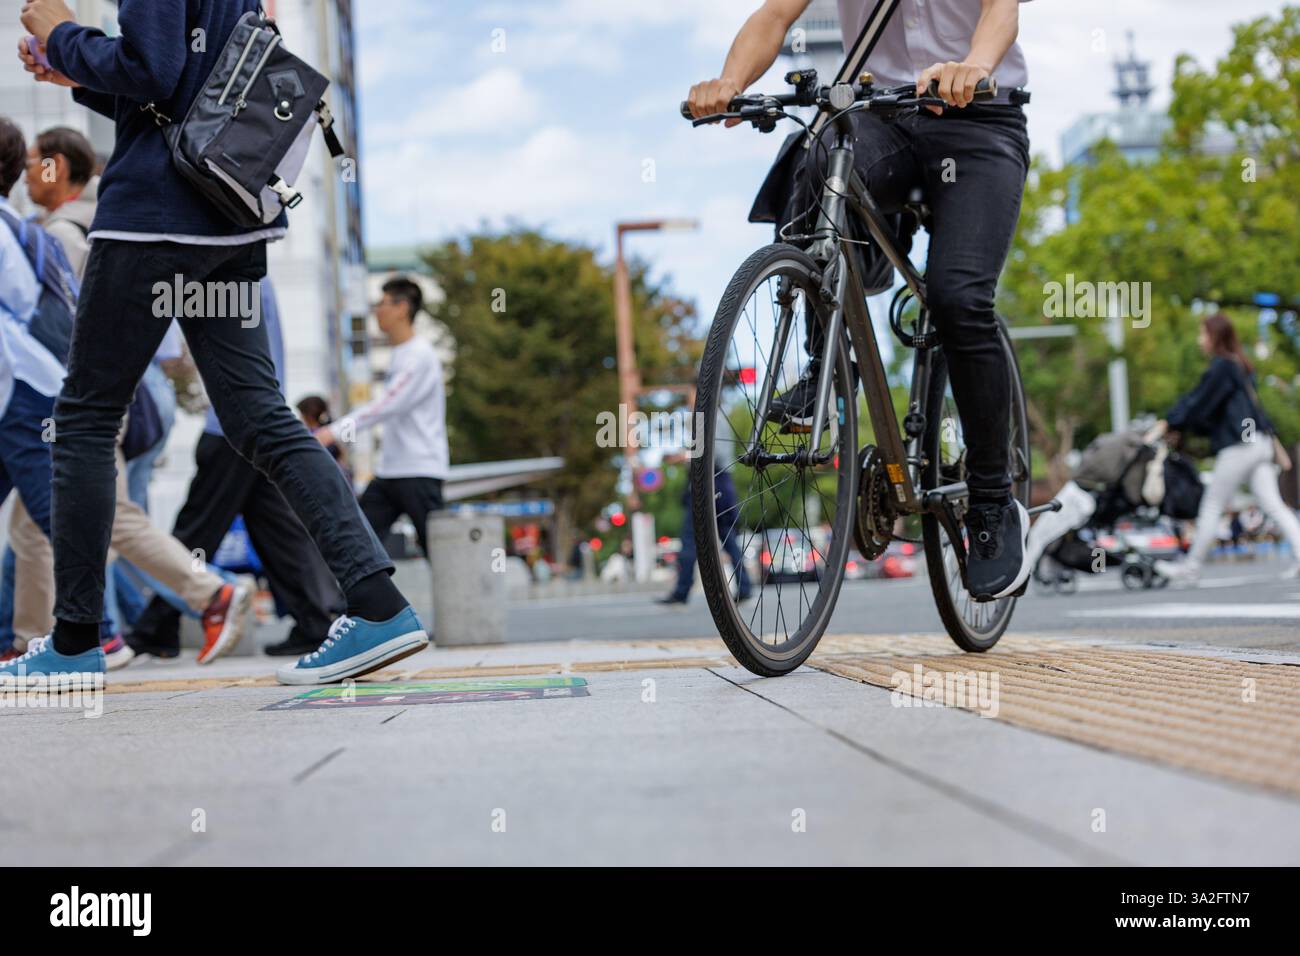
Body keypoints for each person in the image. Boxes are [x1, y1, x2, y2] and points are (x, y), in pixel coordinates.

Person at [8, 0, 427, 688]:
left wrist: (63, 35)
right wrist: (74, 74)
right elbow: (187, 89)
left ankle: (78, 639)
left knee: (83, 419)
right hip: (228, 219)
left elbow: (153, 70)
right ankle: (378, 607)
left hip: (153, 223)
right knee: (259, 416)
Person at [687, 0, 1033, 600]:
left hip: (978, 118)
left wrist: (974, 65)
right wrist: (730, 83)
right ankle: (824, 363)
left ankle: (993, 503)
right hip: (882, 118)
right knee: (817, 156)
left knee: (957, 298)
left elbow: (1002, 11)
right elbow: (774, 16)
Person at [125, 282, 346, 661]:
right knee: (276, 527)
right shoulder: (257, 277)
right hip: (258, 423)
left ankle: (156, 626)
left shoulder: (228, 277)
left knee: (196, 529)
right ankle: (314, 621)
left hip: (231, 427)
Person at [1152, 312, 1300, 583]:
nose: (1200, 341)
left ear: (1215, 336)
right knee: (1274, 504)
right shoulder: (1241, 365)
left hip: (1241, 443)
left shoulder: (1222, 367)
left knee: (1212, 505)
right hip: (1260, 441)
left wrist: (1171, 421)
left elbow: (1198, 402)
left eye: (1202, 334)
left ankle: (1191, 566)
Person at [316, 277, 450, 561]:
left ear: (402, 308)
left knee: (440, 554)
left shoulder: (420, 356)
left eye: (382, 303)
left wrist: (334, 432)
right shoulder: (400, 354)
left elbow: (387, 405)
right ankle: (352, 605)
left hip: (420, 471)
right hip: (391, 472)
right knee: (358, 543)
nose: (377, 310)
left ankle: (464, 605)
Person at [23, 125, 97, 278]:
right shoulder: (103, 214)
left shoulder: (62, 232)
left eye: (28, 166)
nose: (25, 179)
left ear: (55, 166)